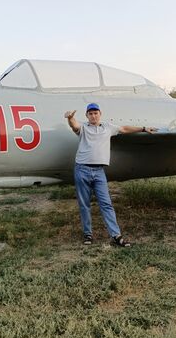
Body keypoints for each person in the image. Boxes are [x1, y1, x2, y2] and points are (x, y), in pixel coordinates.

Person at [64, 103, 155, 247]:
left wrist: (143, 128)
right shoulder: (83, 128)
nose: (93, 116)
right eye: (90, 114)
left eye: (96, 113)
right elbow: (74, 126)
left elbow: (124, 129)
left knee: (106, 204)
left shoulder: (108, 127)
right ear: (87, 116)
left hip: (99, 171)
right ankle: (88, 234)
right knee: (84, 204)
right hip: (82, 169)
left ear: (100, 114)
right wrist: (70, 118)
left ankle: (116, 236)